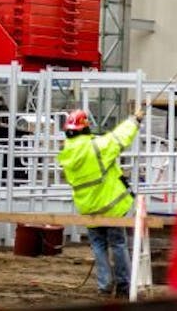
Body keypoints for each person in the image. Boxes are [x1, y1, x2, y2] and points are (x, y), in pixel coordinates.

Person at [58, 103, 143, 297]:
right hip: (110, 206)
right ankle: (124, 286)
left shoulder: (67, 154)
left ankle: (104, 285)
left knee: (98, 245)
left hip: (88, 207)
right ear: (86, 127)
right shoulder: (96, 148)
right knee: (118, 244)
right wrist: (134, 120)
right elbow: (118, 138)